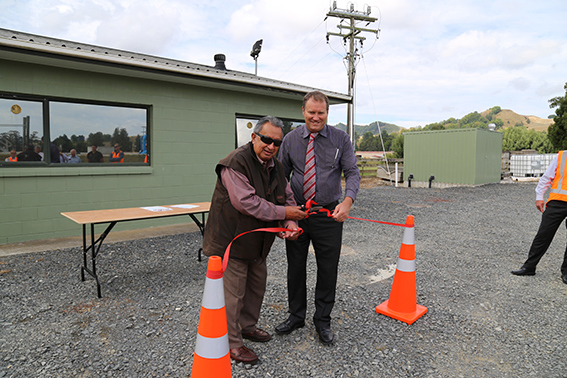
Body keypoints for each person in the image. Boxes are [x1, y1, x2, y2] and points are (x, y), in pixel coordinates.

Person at [202, 116, 306, 364]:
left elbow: (287, 198)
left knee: (256, 288)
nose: (270, 146)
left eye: (276, 142)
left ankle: (247, 327)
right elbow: (246, 203)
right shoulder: (234, 163)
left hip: (258, 244)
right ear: (254, 137)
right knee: (233, 294)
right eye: (266, 139)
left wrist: (291, 223)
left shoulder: (277, 167)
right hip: (232, 242)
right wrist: (285, 214)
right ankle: (232, 343)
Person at [275, 91, 361, 344]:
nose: (315, 117)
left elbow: (352, 173)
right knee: (295, 266)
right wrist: (287, 214)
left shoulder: (340, 139)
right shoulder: (290, 140)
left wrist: (347, 202)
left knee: (328, 269)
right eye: (311, 112)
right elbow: (281, 178)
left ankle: (322, 321)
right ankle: (295, 316)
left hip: (329, 214)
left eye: (320, 112)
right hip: (297, 213)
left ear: (327, 113)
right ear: (303, 112)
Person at [512, 151, 567, 284]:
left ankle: (566, 272)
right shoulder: (562, 156)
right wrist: (539, 196)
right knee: (543, 234)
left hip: (557, 202)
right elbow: (547, 177)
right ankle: (529, 267)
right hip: (557, 202)